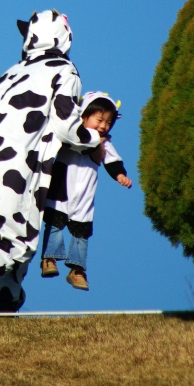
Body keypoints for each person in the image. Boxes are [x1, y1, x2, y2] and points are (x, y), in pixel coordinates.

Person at [0, 10, 101, 314]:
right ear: (64, 37)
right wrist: (93, 139)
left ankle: (3, 299)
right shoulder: (64, 71)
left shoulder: (6, 75)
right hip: (16, 166)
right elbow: (66, 125)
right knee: (15, 247)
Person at [40, 91, 132, 290]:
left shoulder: (104, 143)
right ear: (83, 116)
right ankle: (49, 259)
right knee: (55, 224)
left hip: (84, 196)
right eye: (99, 120)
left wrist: (120, 175)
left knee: (81, 232)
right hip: (60, 190)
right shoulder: (69, 134)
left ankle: (77, 270)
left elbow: (113, 161)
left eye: (108, 123)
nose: (103, 126)